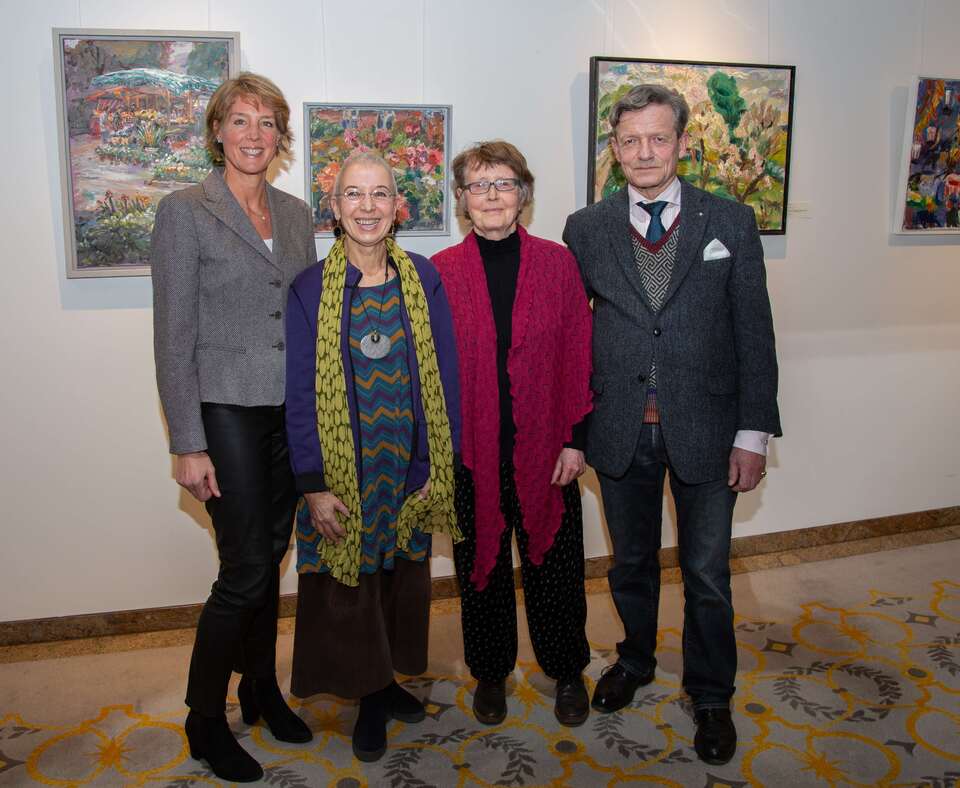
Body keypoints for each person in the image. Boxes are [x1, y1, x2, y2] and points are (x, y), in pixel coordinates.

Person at [563, 84, 781, 765]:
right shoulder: (586, 227)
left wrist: (754, 433)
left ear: (684, 143)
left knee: (707, 573)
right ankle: (633, 659)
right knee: (629, 564)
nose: (644, 152)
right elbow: (572, 335)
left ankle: (711, 693)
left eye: (658, 138)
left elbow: (755, 332)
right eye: (630, 141)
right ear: (615, 149)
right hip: (619, 427)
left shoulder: (731, 221)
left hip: (710, 430)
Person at [152, 72, 317, 783]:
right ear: (217, 131)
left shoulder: (296, 212)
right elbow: (173, 334)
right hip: (223, 411)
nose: (255, 134)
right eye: (241, 121)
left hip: (288, 411)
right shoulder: (185, 210)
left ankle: (260, 689)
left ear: (281, 137)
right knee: (245, 567)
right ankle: (202, 717)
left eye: (268, 123)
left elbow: (308, 319)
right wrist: (186, 441)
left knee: (269, 558)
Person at [284, 150, 461, 762]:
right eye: (353, 195)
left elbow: (445, 374)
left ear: (397, 205)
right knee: (352, 585)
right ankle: (365, 697)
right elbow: (301, 395)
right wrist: (312, 483)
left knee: (399, 578)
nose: (368, 208)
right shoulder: (311, 288)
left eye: (380, 194)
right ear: (335, 209)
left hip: (408, 464)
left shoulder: (423, 276)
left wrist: (440, 463)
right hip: (343, 474)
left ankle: (386, 682)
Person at [433, 141, 593, 727]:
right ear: (462, 201)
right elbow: (433, 370)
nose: (492, 195)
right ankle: (491, 674)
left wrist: (576, 438)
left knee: (557, 567)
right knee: (482, 571)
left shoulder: (557, 263)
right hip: (472, 454)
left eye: (504, 183)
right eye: (479, 185)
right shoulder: (442, 272)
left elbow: (580, 351)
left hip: (549, 452)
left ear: (524, 194)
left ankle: (568, 669)